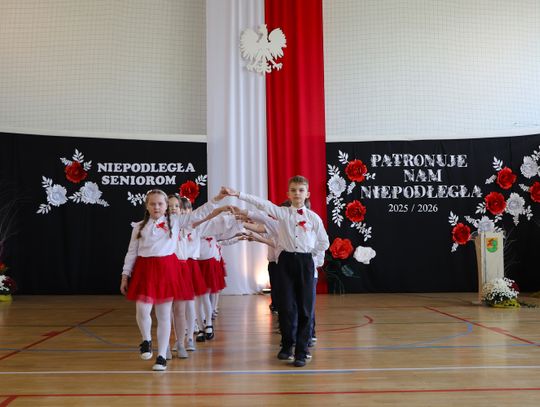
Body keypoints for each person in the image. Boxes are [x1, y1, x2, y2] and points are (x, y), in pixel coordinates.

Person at [222, 175, 329, 367]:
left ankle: (301, 352)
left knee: (305, 308)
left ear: (307, 194)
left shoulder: (314, 218)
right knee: (286, 306)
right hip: (286, 262)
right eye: (293, 190)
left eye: (301, 190)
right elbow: (262, 204)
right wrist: (238, 194)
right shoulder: (282, 213)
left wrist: (309, 254)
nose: (297, 194)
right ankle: (287, 345)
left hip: (305, 262)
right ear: (288, 194)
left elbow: (324, 242)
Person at [120, 188, 224, 371]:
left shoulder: (175, 222)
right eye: (152, 204)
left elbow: (200, 213)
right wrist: (125, 275)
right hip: (145, 270)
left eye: (160, 204)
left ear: (166, 206)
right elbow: (131, 252)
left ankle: (161, 356)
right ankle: (146, 340)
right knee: (142, 310)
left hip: (166, 270)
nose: (156, 207)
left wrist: (217, 199)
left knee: (164, 315)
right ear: (147, 206)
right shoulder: (139, 227)